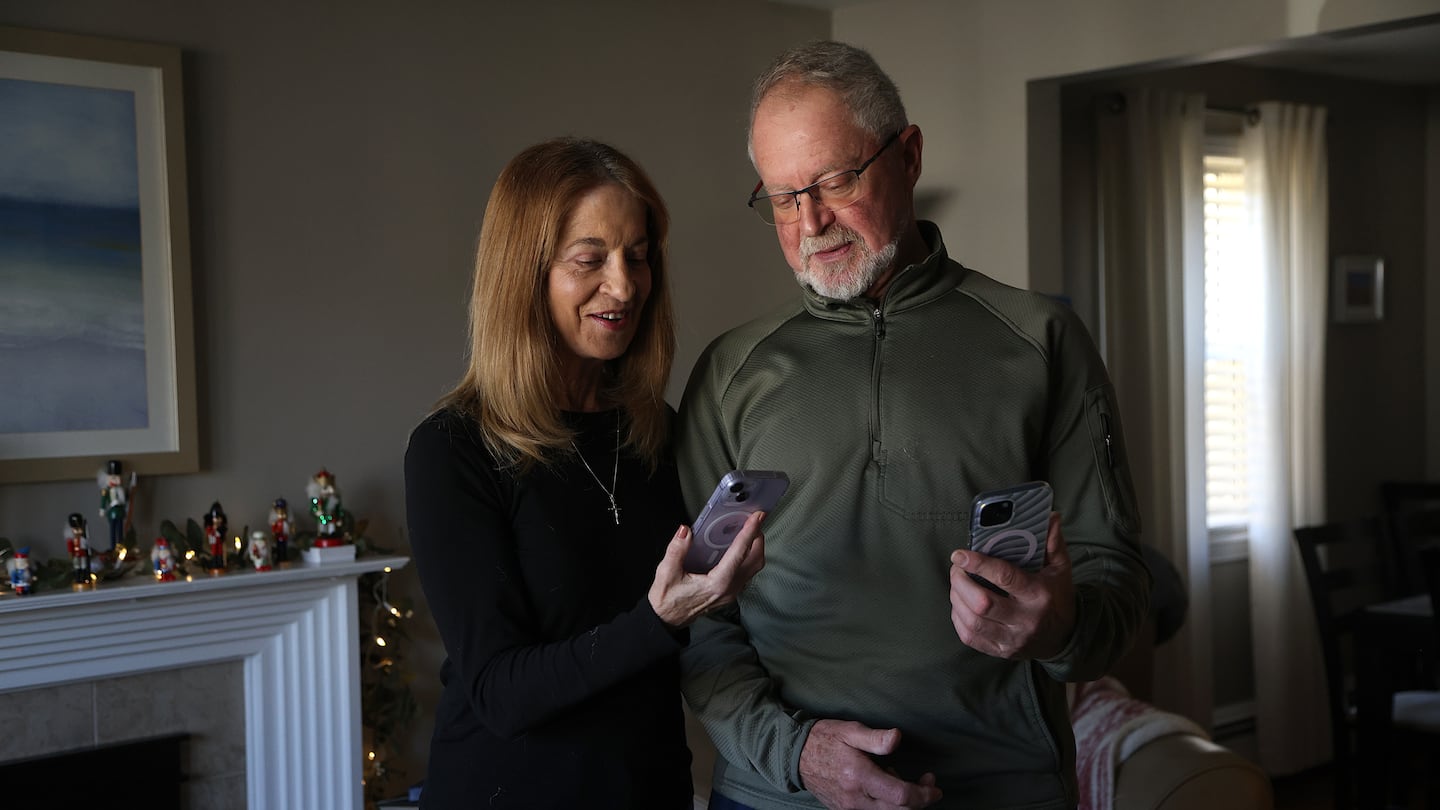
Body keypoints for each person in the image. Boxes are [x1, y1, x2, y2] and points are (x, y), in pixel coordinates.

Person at [675, 41, 1151, 810]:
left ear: (910, 155)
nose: (812, 221)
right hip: (782, 796)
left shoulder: (1040, 342)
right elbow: (700, 621)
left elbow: (1119, 578)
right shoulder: (730, 372)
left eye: (835, 180)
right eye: (783, 197)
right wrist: (797, 756)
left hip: (999, 789)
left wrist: (1058, 625)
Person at [404, 137, 767, 809]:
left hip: (649, 787)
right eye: (590, 259)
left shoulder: (653, 427)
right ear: (525, 271)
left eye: (638, 255)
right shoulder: (451, 450)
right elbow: (500, 692)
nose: (624, 285)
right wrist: (657, 621)